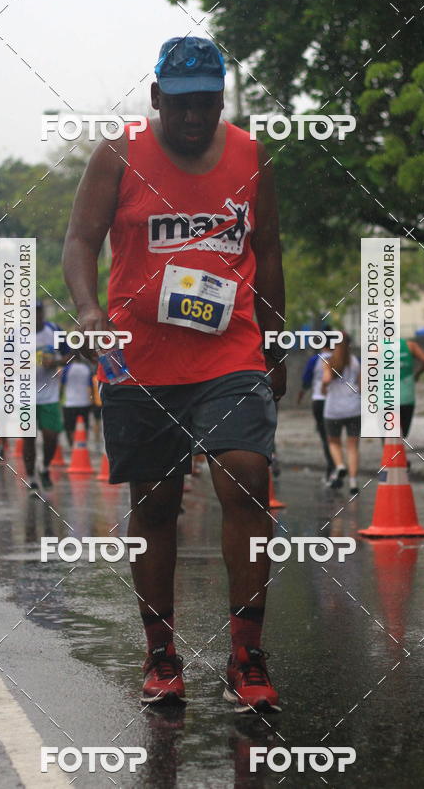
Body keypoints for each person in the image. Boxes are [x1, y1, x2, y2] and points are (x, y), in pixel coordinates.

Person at [63, 35, 285, 712]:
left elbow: (268, 249)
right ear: (156, 98)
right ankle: (162, 656)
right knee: (154, 504)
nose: (195, 117)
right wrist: (89, 310)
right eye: (182, 104)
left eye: (208, 103)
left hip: (229, 352)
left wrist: (275, 340)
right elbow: (80, 240)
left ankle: (246, 658)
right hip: (142, 357)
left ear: (224, 98)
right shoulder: (119, 155)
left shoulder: (249, 154)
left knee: (246, 475)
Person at [25, 299, 67, 491]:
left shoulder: (54, 330)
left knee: (51, 436)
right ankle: (31, 477)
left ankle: (45, 467)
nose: (36, 316)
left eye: (39, 312)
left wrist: (56, 362)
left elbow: (71, 354)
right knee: (29, 438)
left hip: (49, 394)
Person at [322, 332, 361, 494]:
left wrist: (324, 389)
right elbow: (363, 385)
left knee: (333, 442)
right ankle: (353, 482)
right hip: (354, 408)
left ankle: (339, 466)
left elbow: (325, 381)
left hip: (334, 410)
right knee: (352, 447)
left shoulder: (329, 361)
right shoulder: (355, 362)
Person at [297, 339, 334, 479]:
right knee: (337, 437)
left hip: (319, 401)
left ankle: (332, 467)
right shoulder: (341, 358)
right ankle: (337, 465)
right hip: (335, 402)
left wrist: (300, 396)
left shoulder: (315, 360)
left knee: (326, 437)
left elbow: (306, 381)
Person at [399, 337, 424, 438]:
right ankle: (398, 452)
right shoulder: (410, 345)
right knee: (402, 434)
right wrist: (417, 374)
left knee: (387, 435)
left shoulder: (377, 348)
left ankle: (389, 453)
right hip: (407, 397)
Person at [61, 352, 93, 446]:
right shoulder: (86, 369)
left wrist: (59, 397)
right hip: (84, 402)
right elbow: (90, 386)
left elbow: (62, 385)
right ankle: (82, 445)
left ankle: (73, 446)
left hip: (70, 403)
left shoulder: (67, 369)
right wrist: (91, 400)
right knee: (84, 426)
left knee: (70, 427)